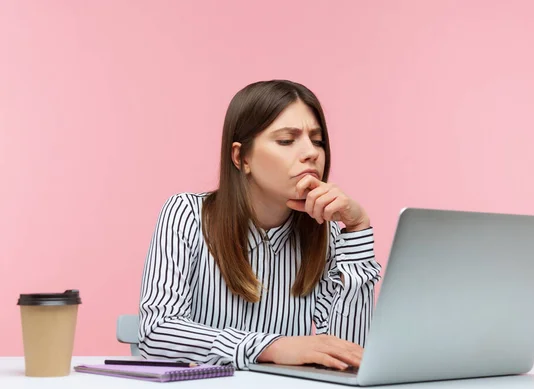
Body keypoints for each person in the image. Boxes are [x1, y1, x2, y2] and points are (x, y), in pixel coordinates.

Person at [138, 79, 382, 371]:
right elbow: (156, 332)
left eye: (317, 141)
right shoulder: (187, 214)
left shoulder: (326, 230)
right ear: (241, 158)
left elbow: (347, 355)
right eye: (286, 140)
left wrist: (356, 230)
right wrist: (272, 347)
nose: (312, 153)